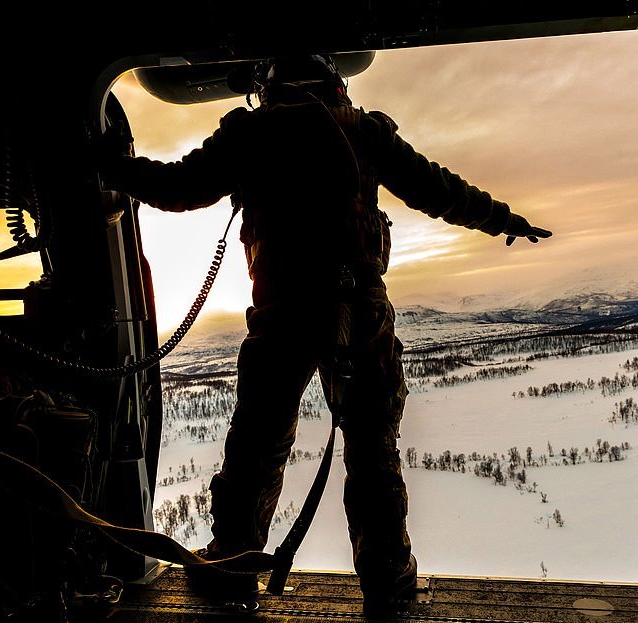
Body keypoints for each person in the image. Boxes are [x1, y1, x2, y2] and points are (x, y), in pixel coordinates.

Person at [99, 54, 552, 616]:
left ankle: (230, 566)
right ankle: (387, 581)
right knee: (372, 450)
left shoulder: (250, 134)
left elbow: (177, 188)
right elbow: (439, 191)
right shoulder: (364, 133)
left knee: (257, 448)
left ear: (268, 87)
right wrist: (503, 219)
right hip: (359, 311)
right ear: (335, 82)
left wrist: (113, 168)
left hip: (281, 313)